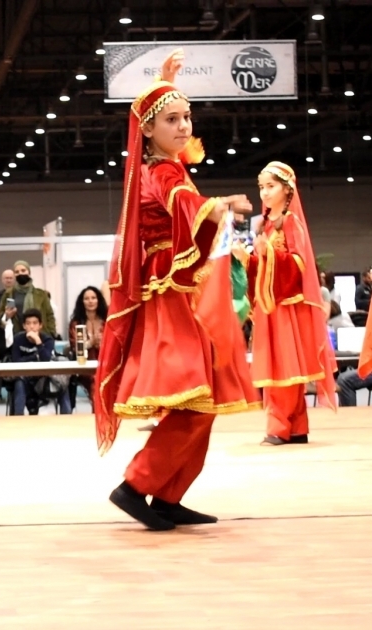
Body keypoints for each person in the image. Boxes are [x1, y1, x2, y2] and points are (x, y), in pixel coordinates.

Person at [96, 50, 260, 531]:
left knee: (203, 403)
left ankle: (166, 494)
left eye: (187, 117)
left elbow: (189, 202)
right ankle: (137, 485)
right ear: (147, 129)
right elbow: (186, 204)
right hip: (169, 297)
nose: (185, 126)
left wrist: (163, 80)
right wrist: (221, 204)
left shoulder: (165, 166)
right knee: (197, 399)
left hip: (178, 292)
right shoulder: (163, 172)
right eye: (172, 119)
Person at [231, 162, 338, 445]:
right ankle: (297, 426)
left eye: (271, 186)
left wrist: (268, 256)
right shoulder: (268, 223)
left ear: (287, 189)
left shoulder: (291, 222)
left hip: (287, 304)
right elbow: (264, 265)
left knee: (284, 368)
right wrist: (249, 259)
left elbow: (300, 263)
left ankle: (279, 426)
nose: (264, 193)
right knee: (282, 367)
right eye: (262, 187)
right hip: (272, 304)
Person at [10, 309, 70, 415]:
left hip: (45, 377)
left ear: (40, 325)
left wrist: (38, 342)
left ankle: (67, 415)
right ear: (24, 326)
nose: (32, 327)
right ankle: (17, 418)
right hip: (25, 376)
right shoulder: (18, 339)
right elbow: (16, 362)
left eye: (35, 323)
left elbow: (46, 360)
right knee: (19, 383)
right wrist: (35, 356)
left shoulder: (47, 340)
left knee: (61, 383)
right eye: (28, 323)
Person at [68, 286, 107, 409]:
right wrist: (91, 342)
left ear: (99, 300)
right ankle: (98, 414)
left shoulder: (108, 320)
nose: (90, 301)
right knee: (95, 381)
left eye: (93, 298)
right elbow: (75, 347)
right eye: (87, 298)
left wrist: (101, 344)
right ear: (82, 302)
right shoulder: (76, 323)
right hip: (84, 365)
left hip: (106, 363)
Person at [0, 261, 56, 337]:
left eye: (23, 270)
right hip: (16, 336)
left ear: (29, 272)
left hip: (40, 335)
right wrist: (7, 315)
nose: (20, 273)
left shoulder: (41, 294)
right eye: (17, 272)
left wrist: (51, 333)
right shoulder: (8, 294)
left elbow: (49, 315)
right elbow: (0, 315)